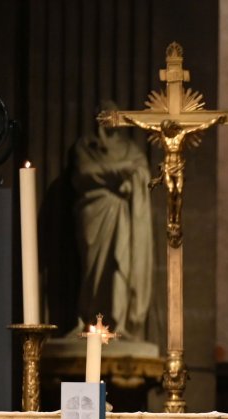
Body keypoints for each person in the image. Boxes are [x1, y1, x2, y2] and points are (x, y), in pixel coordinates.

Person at [72, 100, 155, 339]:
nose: (109, 119)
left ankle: (118, 322)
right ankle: (89, 320)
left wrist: (131, 179)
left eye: (114, 115)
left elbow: (143, 173)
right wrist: (120, 171)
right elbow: (85, 172)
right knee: (92, 268)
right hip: (94, 213)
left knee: (121, 265)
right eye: (104, 114)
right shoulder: (86, 146)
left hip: (122, 215)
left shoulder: (130, 149)